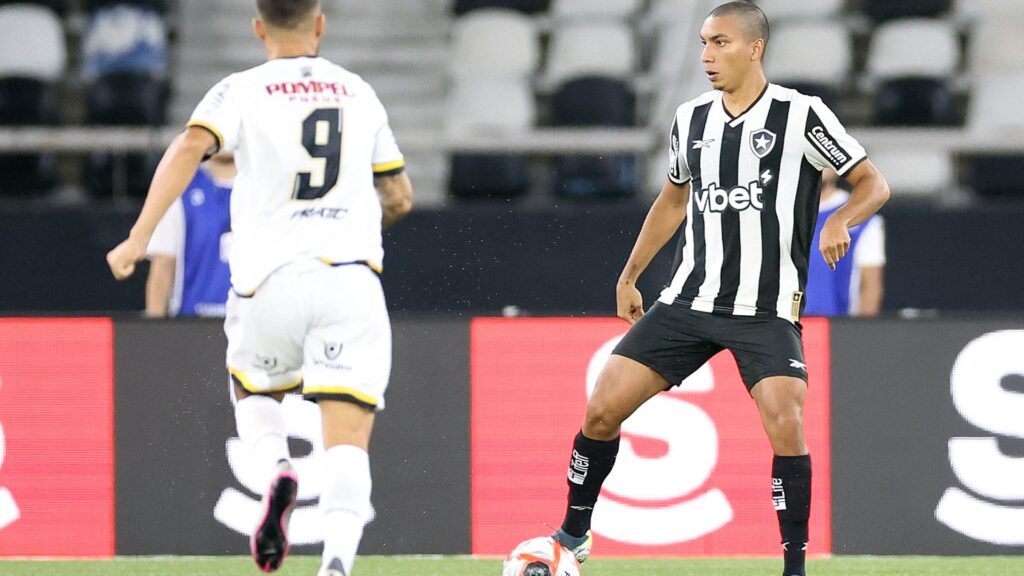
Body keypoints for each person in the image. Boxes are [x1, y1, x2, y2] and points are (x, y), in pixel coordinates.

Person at [548, 3, 889, 576]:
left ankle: (795, 565)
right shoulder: (690, 119)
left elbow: (872, 184)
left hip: (765, 306)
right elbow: (674, 200)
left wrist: (840, 220)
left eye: (721, 43)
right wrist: (630, 275)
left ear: (754, 48)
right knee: (603, 408)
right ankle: (573, 532)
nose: (706, 56)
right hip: (688, 300)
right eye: (704, 43)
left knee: (785, 418)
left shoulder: (801, 115)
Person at [106, 1, 414, 575]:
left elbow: (188, 148)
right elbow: (398, 196)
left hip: (267, 280)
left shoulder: (240, 89)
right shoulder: (358, 92)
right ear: (320, 24)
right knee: (348, 438)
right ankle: (338, 564)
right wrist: (357, 222)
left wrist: (138, 236)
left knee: (253, 394)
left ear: (258, 28)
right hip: (347, 279)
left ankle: (277, 469)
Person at [145, 152, 235, 318]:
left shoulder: (267, 188)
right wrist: (153, 330)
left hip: (253, 325)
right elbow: (163, 264)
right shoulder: (180, 186)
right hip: (191, 322)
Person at [804, 169, 885, 316]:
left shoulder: (862, 217)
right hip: (783, 326)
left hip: (837, 327)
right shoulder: (779, 210)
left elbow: (870, 284)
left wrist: (861, 333)